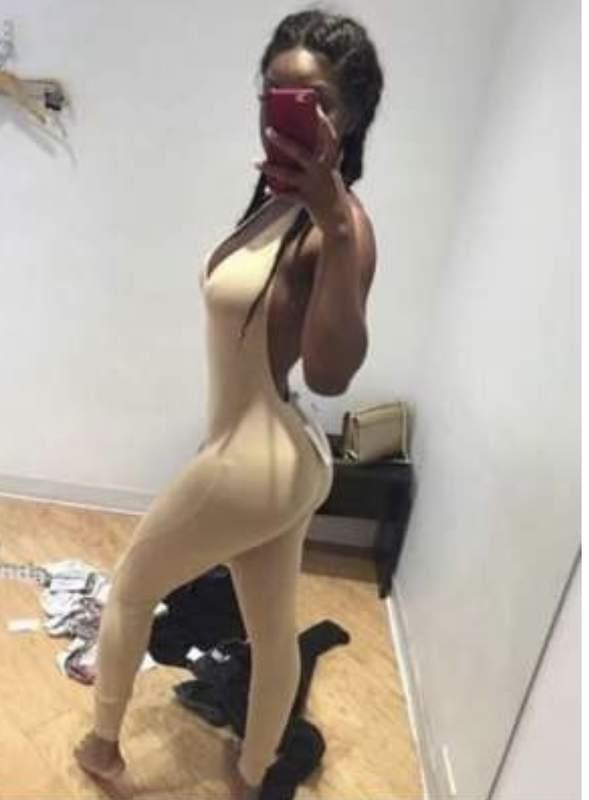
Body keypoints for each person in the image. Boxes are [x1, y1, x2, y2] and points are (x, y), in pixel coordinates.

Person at [74, 8, 383, 799]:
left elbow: (331, 373)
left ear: (347, 116)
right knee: (270, 629)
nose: (285, 113)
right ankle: (251, 775)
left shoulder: (339, 225)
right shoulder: (276, 205)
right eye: (273, 94)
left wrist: (334, 224)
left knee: (132, 587)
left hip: (256, 457)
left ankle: (102, 750)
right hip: (274, 454)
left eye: (311, 100)